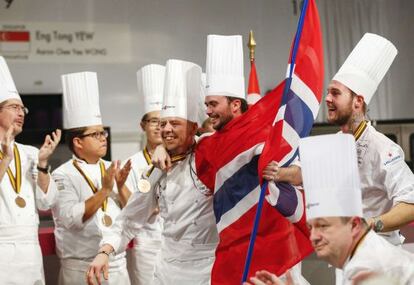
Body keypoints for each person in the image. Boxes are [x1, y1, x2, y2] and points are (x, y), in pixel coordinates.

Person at [87, 59, 218, 285]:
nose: (165, 129)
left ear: (194, 128)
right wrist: (105, 251)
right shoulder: (156, 170)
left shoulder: (211, 153)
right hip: (166, 268)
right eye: (163, 123)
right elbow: (129, 218)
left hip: (206, 267)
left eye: (174, 123)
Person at [245, 134, 414, 285]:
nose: (313, 237)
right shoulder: (349, 261)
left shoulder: (375, 268)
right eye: (311, 227)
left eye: (324, 226)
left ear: (355, 225)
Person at [52, 72, 131, 284]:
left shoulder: (114, 167)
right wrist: (104, 191)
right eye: (95, 134)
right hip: (81, 268)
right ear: (78, 142)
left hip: (117, 264)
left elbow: (134, 213)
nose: (103, 139)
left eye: (103, 133)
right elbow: (71, 219)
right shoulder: (62, 174)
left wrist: (121, 187)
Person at [0, 56, 61, 284]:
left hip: (30, 249)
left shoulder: (30, 153)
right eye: (14, 107)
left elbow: (47, 202)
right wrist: (5, 159)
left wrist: (43, 164)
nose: (22, 112)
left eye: (22, 108)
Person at [123, 64, 165, 285]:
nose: (159, 127)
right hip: (147, 245)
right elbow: (130, 206)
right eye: (153, 122)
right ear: (143, 125)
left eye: (163, 121)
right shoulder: (132, 163)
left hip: (179, 245)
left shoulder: (181, 159)